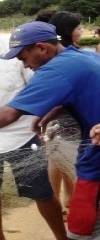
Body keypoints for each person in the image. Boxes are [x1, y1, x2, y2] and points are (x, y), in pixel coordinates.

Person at [0, 21, 100, 240]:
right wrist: (57, 110)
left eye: (23, 58)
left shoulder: (55, 70)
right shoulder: (83, 56)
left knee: (82, 227)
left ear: (42, 48)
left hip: (96, 152)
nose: (23, 65)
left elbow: (8, 114)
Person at [35, 10, 84, 219]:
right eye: (79, 27)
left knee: (63, 158)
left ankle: (68, 199)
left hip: (67, 114)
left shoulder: (69, 53)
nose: (82, 31)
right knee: (58, 157)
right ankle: (59, 201)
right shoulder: (55, 57)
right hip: (63, 117)